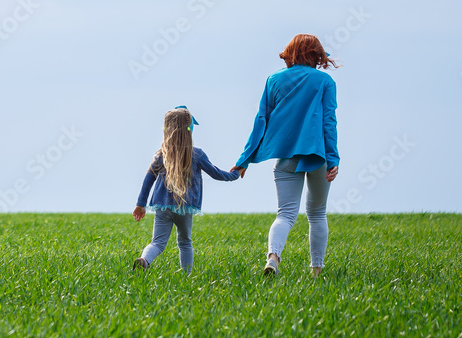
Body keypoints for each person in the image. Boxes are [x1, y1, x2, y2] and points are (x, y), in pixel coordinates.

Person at [230, 34, 340, 277]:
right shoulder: (325, 81)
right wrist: (333, 159)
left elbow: (261, 120)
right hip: (318, 156)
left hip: (285, 157)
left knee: (286, 214)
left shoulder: (273, 80)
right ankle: (316, 272)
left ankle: (273, 257)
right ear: (316, 55)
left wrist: (244, 160)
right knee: (317, 213)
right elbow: (328, 122)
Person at [133, 106, 239, 272]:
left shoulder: (161, 155)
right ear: (189, 130)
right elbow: (217, 174)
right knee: (184, 242)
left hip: (162, 206)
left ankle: (145, 260)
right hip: (185, 207)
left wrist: (141, 204)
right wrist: (235, 174)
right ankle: (186, 276)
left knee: (157, 243)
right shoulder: (197, 154)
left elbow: (148, 179)